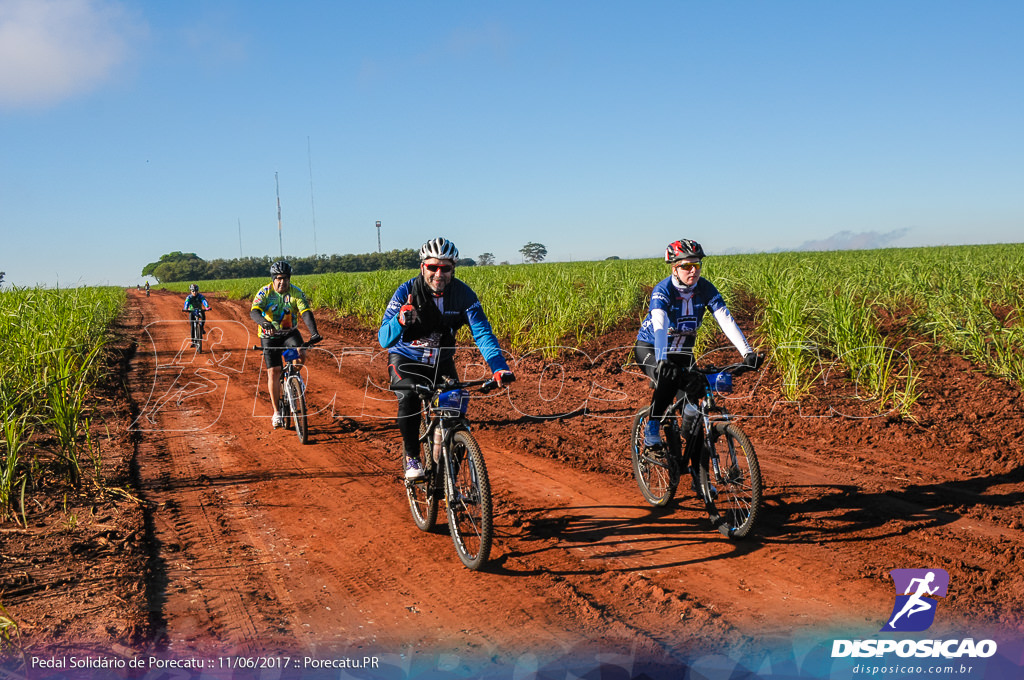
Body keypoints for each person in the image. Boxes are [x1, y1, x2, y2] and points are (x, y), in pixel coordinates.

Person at [379, 237, 514, 480]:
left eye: (445, 268)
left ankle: (446, 465)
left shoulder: (463, 295)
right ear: (423, 267)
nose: (438, 274)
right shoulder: (406, 292)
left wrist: (498, 367)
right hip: (406, 359)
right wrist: (400, 321)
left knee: (455, 407)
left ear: (453, 269)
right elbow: (383, 339)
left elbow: (482, 333)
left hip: (441, 361)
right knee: (408, 398)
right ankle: (412, 457)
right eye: (432, 267)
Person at [635, 239, 762, 449]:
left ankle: (698, 481)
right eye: (686, 266)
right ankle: (652, 425)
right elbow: (659, 324)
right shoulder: (663, 291)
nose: (692, 270)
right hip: (651, 347)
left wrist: (747, 352)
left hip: (683, 351)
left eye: (696, 265)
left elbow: (725, 319)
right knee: (669, 376)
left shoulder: (705, 288)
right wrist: (661, 359)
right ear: (674, 268)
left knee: (694, 412)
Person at [250, 260, 322, 428]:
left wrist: (314, 332)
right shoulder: (265, 292)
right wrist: (263, 322)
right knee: (274, 371)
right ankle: (276, 412)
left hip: (289, 334)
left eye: (286, 278)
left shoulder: (296, 292)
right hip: (270, 336)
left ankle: (295, 377)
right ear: (273, 279)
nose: (282, 282)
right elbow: (254, 311)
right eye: (279, 278)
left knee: (300, 353)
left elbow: (306, 313)